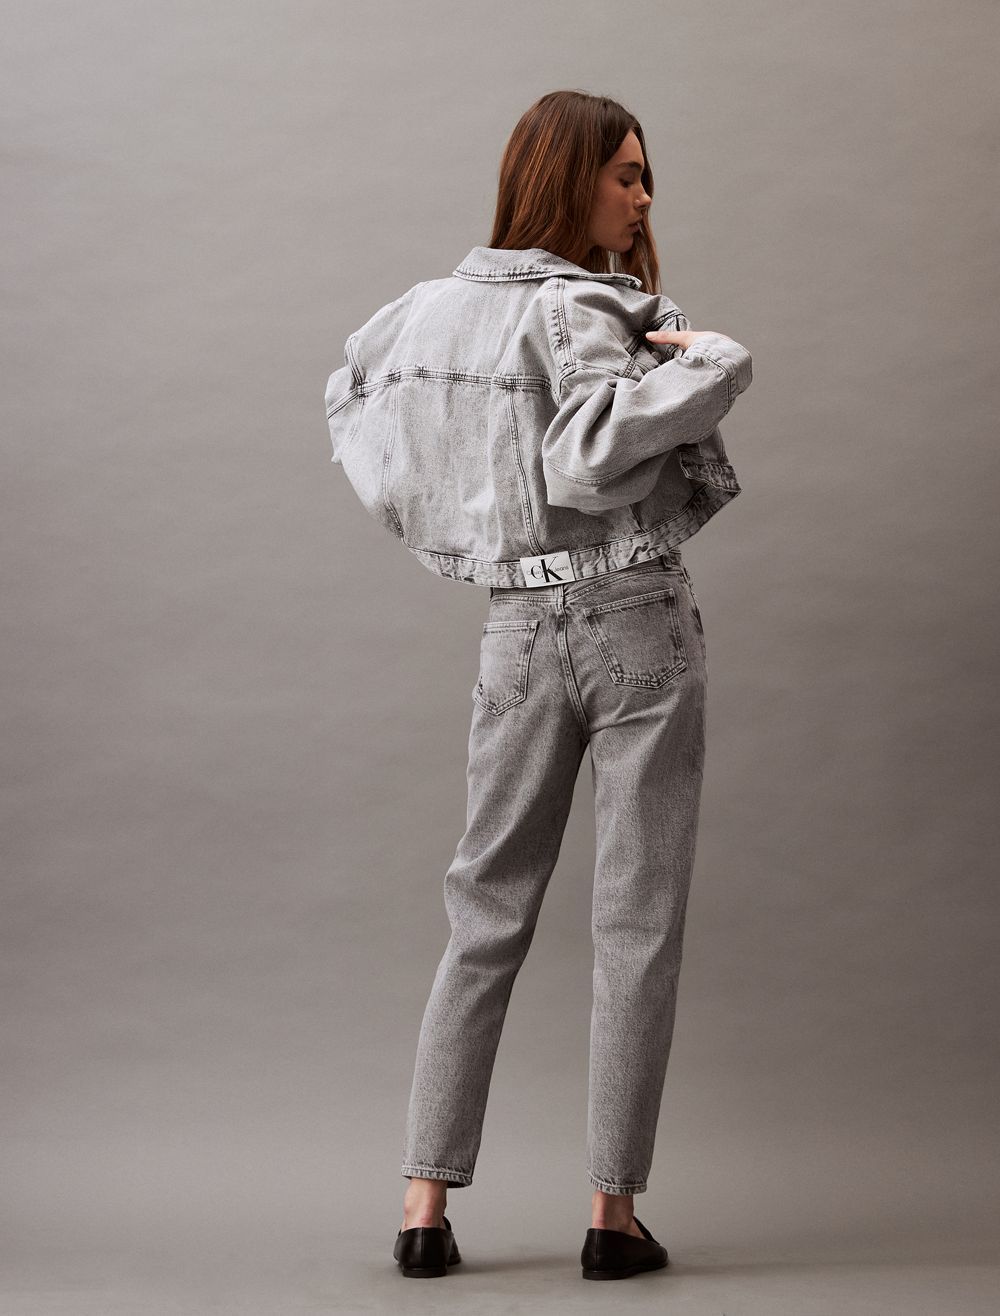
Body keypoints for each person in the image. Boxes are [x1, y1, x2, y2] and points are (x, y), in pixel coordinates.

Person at [324, 89, 753, 1281]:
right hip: (635, 617)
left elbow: (354, 402)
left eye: (646, 174)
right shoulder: (592, 306)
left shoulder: (423, 312)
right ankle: (611, 1218)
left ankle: (422, 1208)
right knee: (635, 922)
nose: (643, 196)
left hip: (513, 625)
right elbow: (590, 453)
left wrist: (454, 526)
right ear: (566, 178)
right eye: (625, 173)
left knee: (484, 913)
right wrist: (718, 359)